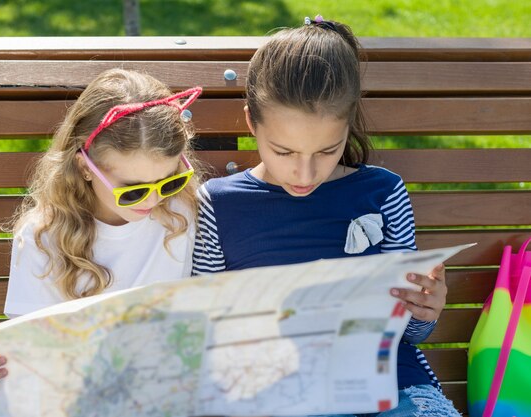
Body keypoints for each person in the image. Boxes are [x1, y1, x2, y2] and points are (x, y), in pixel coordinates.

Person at [192, 16, 460, 417]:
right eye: (284, 152)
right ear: (251, 122)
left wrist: (424, 312)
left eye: (326, 151)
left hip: (389, 387)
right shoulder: (219, 203)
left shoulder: (383, 194)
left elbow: (407, 335)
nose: (305, 174)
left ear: (348, 126)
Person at [0, 68, 202, 401]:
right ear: (83, 168)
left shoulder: (181, 209)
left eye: (169, 180)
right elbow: (31, 355)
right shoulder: (44, 238)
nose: (153, 200)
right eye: (132, 191)